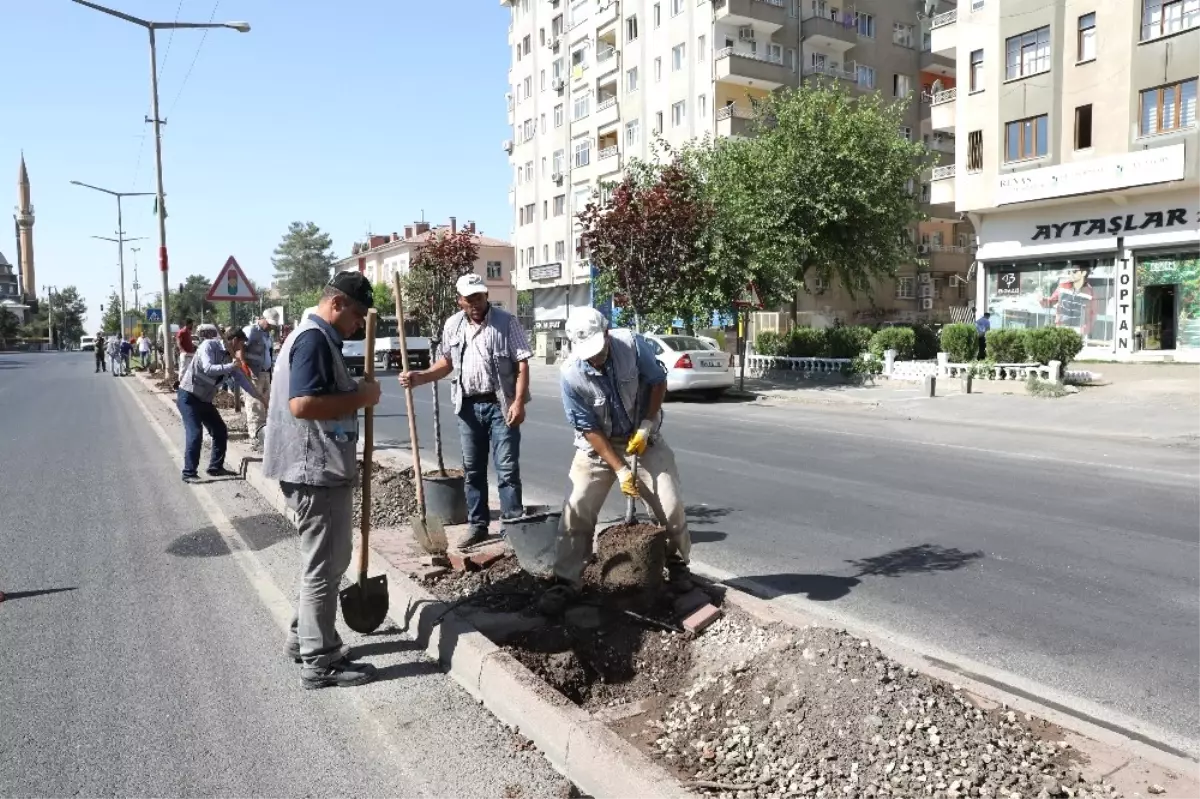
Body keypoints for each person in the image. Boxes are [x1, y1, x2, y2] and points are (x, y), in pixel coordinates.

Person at [263, 272, 381, 690]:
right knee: (325, 565)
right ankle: (322, 660)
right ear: (337, 304)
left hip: (313, 468)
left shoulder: (314, 335)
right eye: (357, 315)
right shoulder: (312, 339)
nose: (358, 325)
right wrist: (362, 397)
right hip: (315, 471)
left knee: (324, 563)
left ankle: (304, 638)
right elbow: (303, 404)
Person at [542, 308, 693, 613]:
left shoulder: (632, 345)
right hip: (598, 444)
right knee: (577, 506)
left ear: (607, 335)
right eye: (588, 354)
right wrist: (621, 469)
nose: (595, 359)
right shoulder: (571, 374)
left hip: (642, 436)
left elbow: (657, 382)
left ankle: (677, 565)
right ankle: (566, 580)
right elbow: (587, 427)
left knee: (670, 504)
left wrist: (647, 424)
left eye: (598, 351)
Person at [399, 273, 532, 547]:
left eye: (479, 296)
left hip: (500, 405)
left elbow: (522, 363)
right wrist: (420, 376)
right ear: (459, 300)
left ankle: (512, 526)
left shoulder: (506, 322)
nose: (475, 303)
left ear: (486, 296)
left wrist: (518, 402)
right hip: (468, 406)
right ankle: (478, 525)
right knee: (472, 470)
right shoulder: (453, 326)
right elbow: (446, 363)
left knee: (506, 469)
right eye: (469, 298)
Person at [177, 326, 252, 483]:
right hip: (189, 397)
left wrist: (260, 397)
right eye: (240, 345)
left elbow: (243, 381)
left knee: (219, 430)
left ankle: (215, 467)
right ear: (235, 340)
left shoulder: (230, 358)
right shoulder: (209, 346)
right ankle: (189, 472)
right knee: (195, 433)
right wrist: (232, 366)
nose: (240, 349)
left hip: (205, 400)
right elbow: (208, 368)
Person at [242, 309, 280, 451]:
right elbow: (241, 349)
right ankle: (255, 437)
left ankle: (263, 434)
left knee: (265, 405)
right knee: (254, 405)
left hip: (265, 373)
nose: (270, 327)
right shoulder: (251, 331)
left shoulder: (267, 335)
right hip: (253, 373)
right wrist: (245, 368)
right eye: (269, 323)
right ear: (262, 319)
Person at [176, 318, 196, 385]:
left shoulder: (188, 332)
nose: (192, 326)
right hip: (185, 354)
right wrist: (182, 351)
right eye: (192, 324)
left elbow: (188, 342)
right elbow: (178, 342)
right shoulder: (182, 332)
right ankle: (180, 384)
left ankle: (188, 383)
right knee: (183, 369)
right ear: (188, 324)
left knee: (190, 369)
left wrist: (194, 347)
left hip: (191, 353)